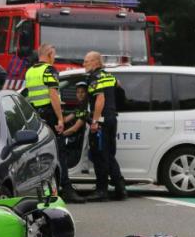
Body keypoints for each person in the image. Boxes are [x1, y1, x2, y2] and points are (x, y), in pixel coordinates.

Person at [24, 44, 85, 203]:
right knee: (59, 153)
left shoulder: (30, 71)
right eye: (54, 54)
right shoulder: (49, 70)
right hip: (50, 114)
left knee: (42, 154)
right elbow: (53, 95)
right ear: (49, 54)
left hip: (37, 117)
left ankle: (47, 188)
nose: (54, 57)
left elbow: (30, 97)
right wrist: (59, 118)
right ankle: (66, 188)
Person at [84, 51, 127, 201]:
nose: (84, 64)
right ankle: (120, 188)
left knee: (100, 156)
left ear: (96, 62)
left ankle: (101, 191)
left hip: (101, 121)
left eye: (87, 61)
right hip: (111, 119)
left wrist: (95, 121)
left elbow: (100, 99)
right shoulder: (109, 76)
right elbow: (119, 87)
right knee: (109, 155)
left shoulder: (95, 77)